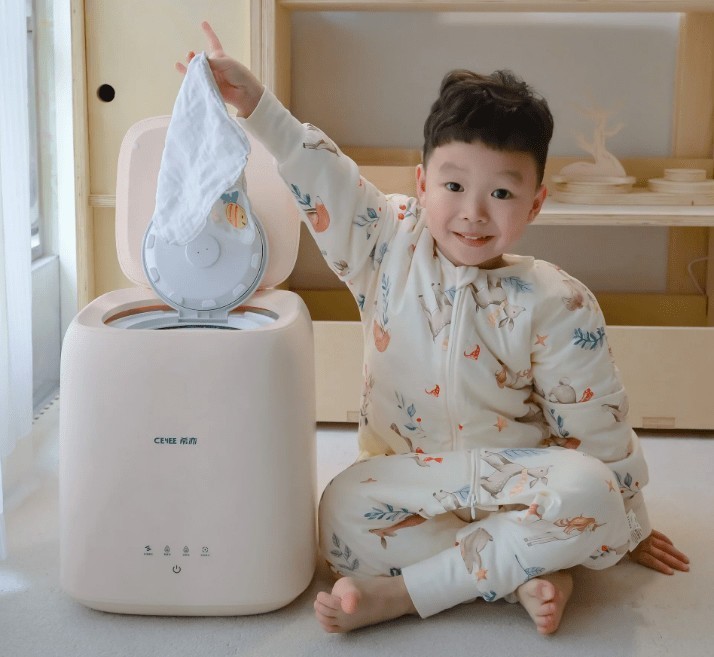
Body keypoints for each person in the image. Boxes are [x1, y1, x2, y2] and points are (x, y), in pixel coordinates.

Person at [178, 21, 690, 636]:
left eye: (501, 193)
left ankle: (406, 594)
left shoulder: (558, 301)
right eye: (453, 185)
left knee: (594, 494)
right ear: (421, 185)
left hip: (515, 483)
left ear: (536, 202)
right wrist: (257, 105)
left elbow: (595, 422)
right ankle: (524, 570)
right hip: (415, 484)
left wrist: (630, 521)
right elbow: (324, 177)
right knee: (340, 515)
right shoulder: (384, 245)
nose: (473, 212)